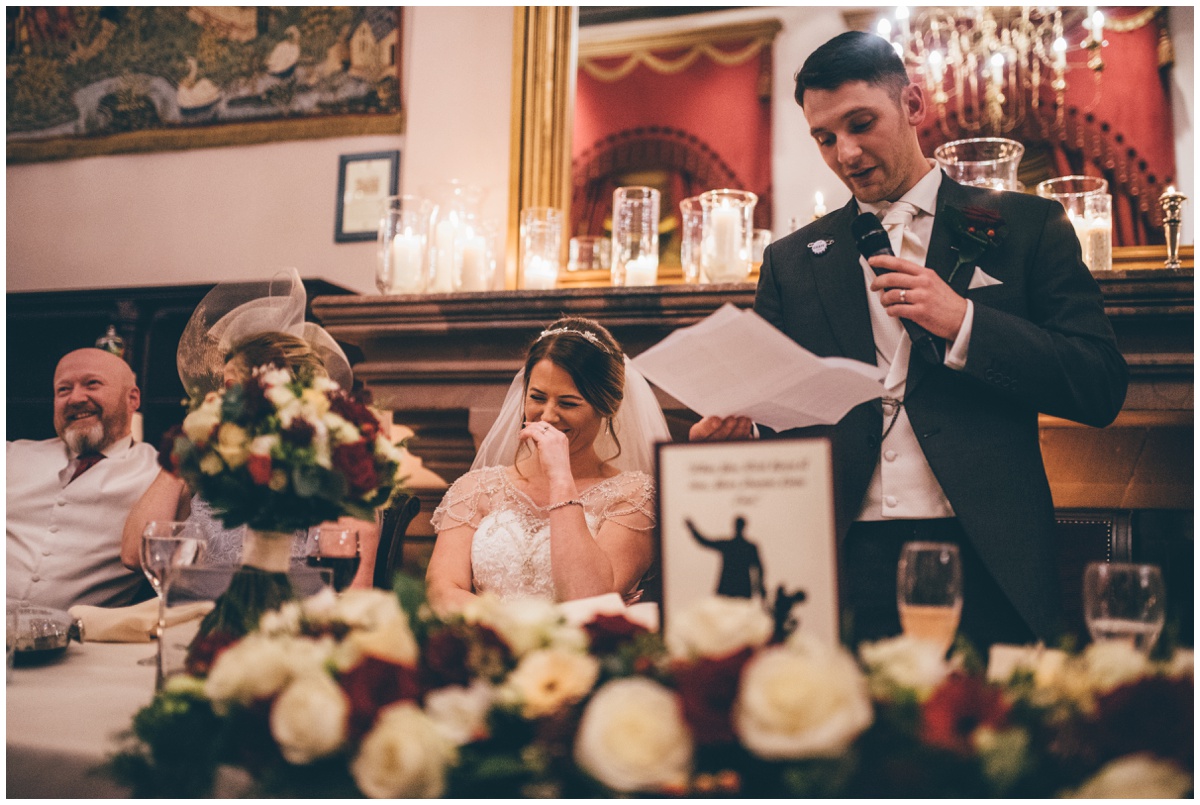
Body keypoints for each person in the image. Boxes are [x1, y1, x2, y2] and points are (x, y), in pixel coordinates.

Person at [692, 32, 1128, 650]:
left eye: (861, 123)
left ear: (914, 105)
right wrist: (739, 434)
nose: (846, 152)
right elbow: (778, 413)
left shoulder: (1027, 228)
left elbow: (1100, 385)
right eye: (824, 137)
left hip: (986, 554)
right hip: (838, 558)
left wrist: (965, 323)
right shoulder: (791, 261)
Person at [123, 271, 380, 588]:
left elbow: (350, 590)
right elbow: (135, 555)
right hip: (195, 620)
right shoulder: (213, 466)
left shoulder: (337, 473)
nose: (224, 402)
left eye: (239, 389)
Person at [426, 316, 672, 614]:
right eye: (537, 398)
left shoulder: (635, 496)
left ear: (607, 407)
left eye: (568, 403)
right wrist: (524, 630)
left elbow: (589, 600)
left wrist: (560, 478)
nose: (547, 416)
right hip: (484, 650)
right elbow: (441, 592)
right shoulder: (475, 488)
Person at [7, 348, 161, 610]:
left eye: (92, 384)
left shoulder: (160, 470)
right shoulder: (12, 454)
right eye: (63, 390)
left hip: (81, 643)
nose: (76, 398)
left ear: (132, 398)